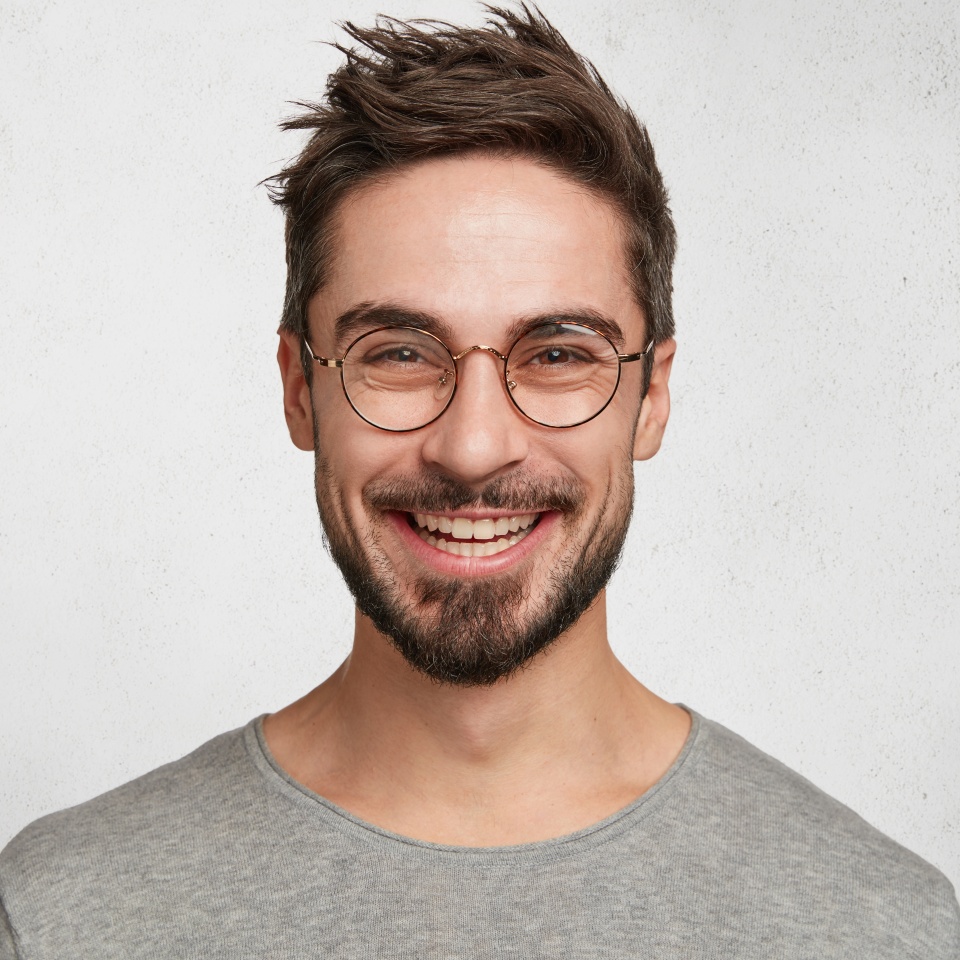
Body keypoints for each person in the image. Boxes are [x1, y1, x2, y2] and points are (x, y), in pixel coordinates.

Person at [1, 6, 957, 958]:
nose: (472, 447)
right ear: (300, 390)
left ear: (652, 398)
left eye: (557, 354)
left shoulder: (883, 927)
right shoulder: (61, 917)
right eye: (400, 353)